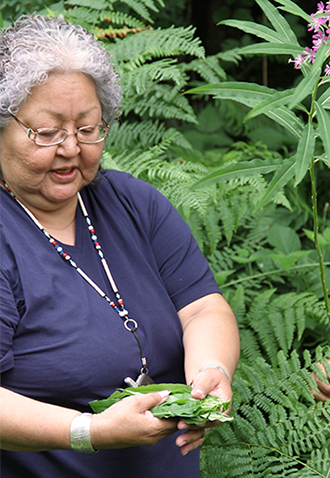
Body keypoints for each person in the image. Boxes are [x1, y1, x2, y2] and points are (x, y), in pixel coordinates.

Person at [0, 14, 240, 478]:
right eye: (47, 133)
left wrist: (213, 370)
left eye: (88, 128)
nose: (72, 148)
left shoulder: (131, 201)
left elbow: (203, 307)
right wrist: (87, 431)